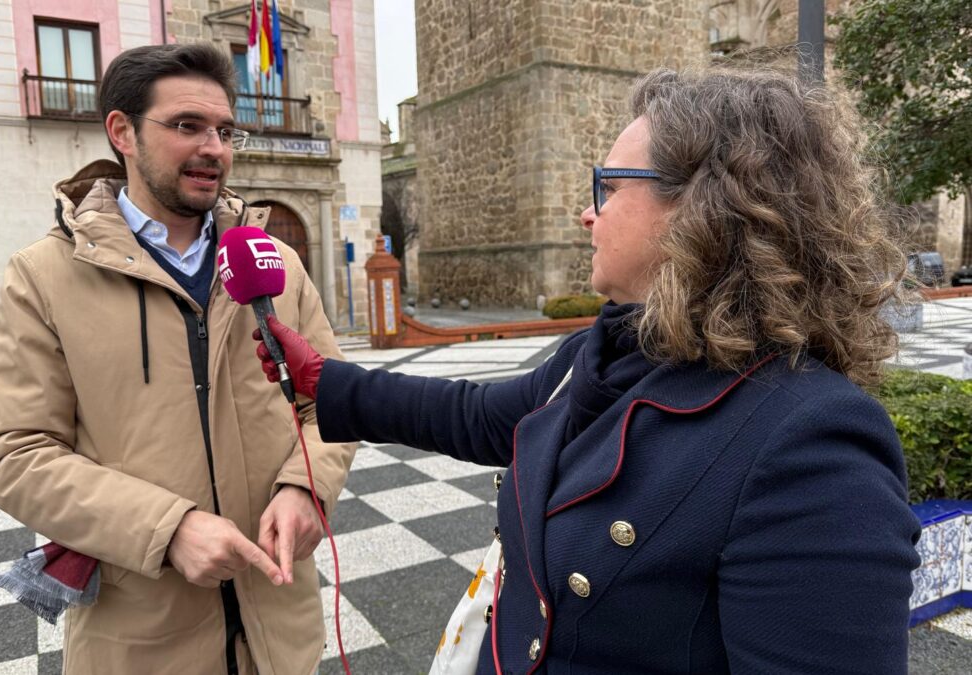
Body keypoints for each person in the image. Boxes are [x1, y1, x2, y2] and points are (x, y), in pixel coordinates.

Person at [256, 67, 922, 674]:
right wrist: (321, 378)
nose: (585, 212)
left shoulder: (811, 441)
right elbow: (479, 416)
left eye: (608, 186)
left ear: (703, 207)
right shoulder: (607, 352)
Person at [0, 43, 354, 675]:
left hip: (280, 633)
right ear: (122, 131)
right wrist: (167, 529)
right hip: (141, 641)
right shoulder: (43, 276)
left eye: (224, 130)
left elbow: (331, 403)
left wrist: (305, 488)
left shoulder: (275, 263)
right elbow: (12, 452)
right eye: (186, 126)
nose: (214, 148)